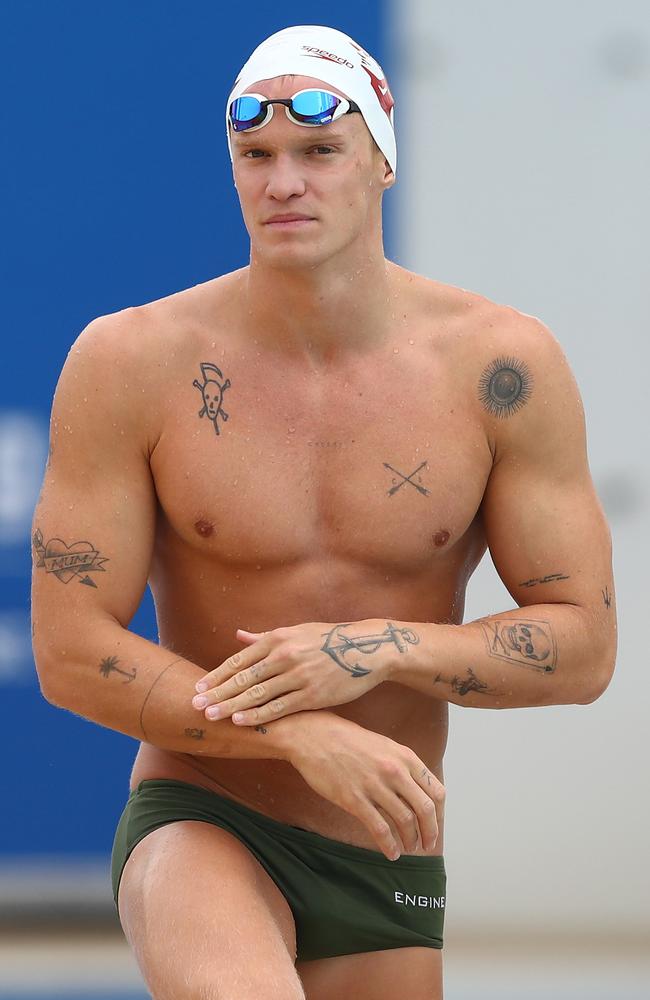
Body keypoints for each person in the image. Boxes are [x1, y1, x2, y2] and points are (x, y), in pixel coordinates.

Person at [31, 23, 616, 1000]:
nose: (282, 183)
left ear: (380, 162)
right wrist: (294, 729)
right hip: (205, 811)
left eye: (317, 151)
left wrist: (376, 647)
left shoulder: (498, 369)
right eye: (254, 157)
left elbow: (580, 647)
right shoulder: (131, 362)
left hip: (384, 849)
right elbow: (71, 649)